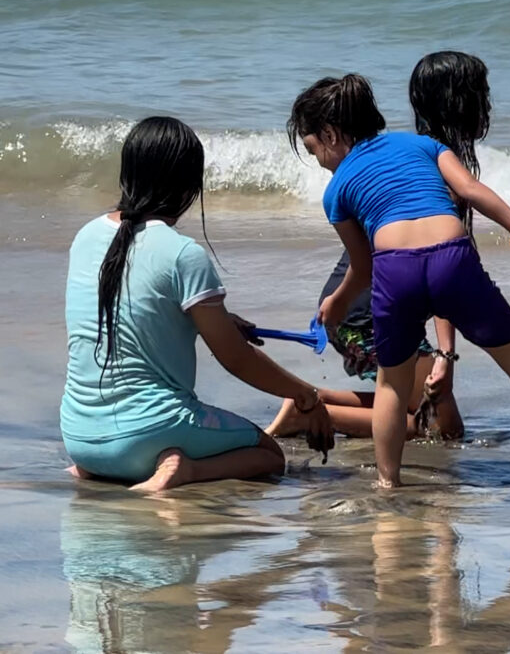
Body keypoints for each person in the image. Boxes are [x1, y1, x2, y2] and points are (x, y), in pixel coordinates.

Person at [286, 74, 510, 487]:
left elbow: (363, 268)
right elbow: (470, 190)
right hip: (452, 259)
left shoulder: (336, 191)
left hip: (396, 269)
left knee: (392, 384)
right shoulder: (424, 145)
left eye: (313, 149)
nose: (319, 160)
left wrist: (339, 300)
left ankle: (388, 481)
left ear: (330, 134)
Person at [60, 117, 334, 492]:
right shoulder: (183, 254)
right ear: (189, 184)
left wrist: (212, 319)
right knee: (269, 454)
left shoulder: (86, 235)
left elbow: (125, 313)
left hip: (79, 436)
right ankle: (186, 470)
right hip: (147, 432)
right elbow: (236, 359)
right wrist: (306, 396)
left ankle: (102, 467)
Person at [268, 51, 493, 443]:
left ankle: (314, 401)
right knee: (443, 429)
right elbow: (444, 268)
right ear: (460, 102)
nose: (487, 106)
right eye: (482, 94)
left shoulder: (408, 154)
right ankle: (311, 415)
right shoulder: (436, 165)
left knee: (413, 406)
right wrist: (445, 354)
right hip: (364, 312)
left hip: (359, 306)